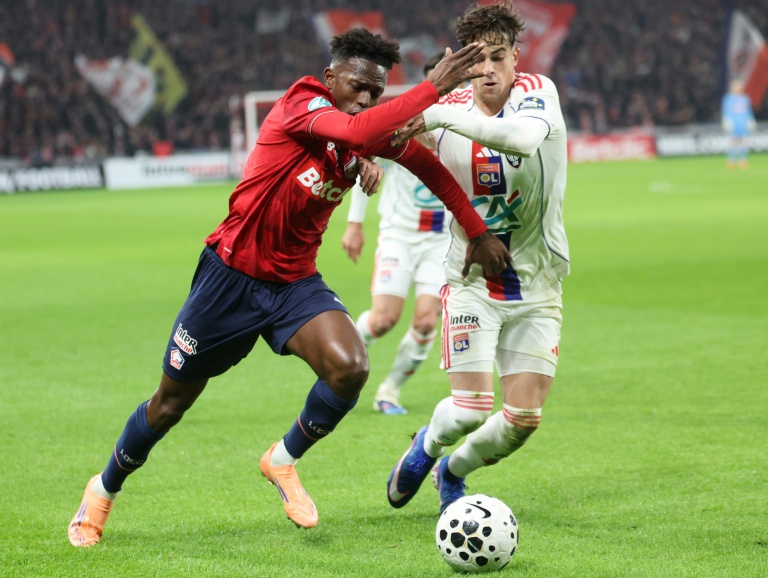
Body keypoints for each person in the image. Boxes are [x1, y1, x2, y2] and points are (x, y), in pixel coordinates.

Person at [67, 27, 512, 546]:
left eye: (375, 92)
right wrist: (429, 89)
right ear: (330, 80)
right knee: (168, 405)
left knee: (350, 368)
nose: (365, 98)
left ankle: (282, 460)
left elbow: (428, 167)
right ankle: (102, 489)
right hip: (229, 279)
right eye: (356, 86)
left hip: (293, 284)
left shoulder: (364, 134)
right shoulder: (302, 103)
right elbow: (350, 134)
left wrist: (476, 231)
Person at [385, 1, 570, 514]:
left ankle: (453, 469)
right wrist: (364, 161)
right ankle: (426, 445)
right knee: (470, 408)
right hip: (470, 283)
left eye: (498, 56)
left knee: (523, 419)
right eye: (478, 59)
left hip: (537, 283)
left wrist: (439, 112)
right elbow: (383, 133)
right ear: (462, 61)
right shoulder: (448, 108)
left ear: (516, 58)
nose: (488, 69)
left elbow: (524, 140)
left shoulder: (537, 94)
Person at [341, 52, 449, 416]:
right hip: (399, 234)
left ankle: (390, 391)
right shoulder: (403, 122)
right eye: (438, 85)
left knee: (425, 320)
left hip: (442, 240)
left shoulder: (464, 125)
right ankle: (342, 358)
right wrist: (355, 225)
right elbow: (365, 165)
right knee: (384, 319)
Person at [721, 79, 756, 170]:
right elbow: (726, 112)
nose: (737, 88)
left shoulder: (745, 99)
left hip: (743, 125)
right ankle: (731, 160)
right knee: (732, 143)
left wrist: (750, 120)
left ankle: (742, 160)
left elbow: (748, 111)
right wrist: (726, 121)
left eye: (739, 86)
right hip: (733, 126)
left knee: (744, 143)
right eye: (735, 86)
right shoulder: (728, 99)